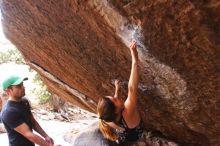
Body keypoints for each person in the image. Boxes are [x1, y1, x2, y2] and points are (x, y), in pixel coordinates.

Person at [97, 41, 144, 144]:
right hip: (135, 134)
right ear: (116, 111)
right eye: (114, 99)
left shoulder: (106, 117)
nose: (115, 97)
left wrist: (117, 89)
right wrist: (134, 59)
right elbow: (132, 88)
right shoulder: (128, 111)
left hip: (124, 134)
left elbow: (114, 105)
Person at [0, 75, 60, 146]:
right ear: (8, 91)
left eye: (22, 85)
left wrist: (45, 136)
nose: (23, 88)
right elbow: (29, 134)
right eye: (18, 86)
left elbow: (33, 122)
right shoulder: (9, 112)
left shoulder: (24, 101)